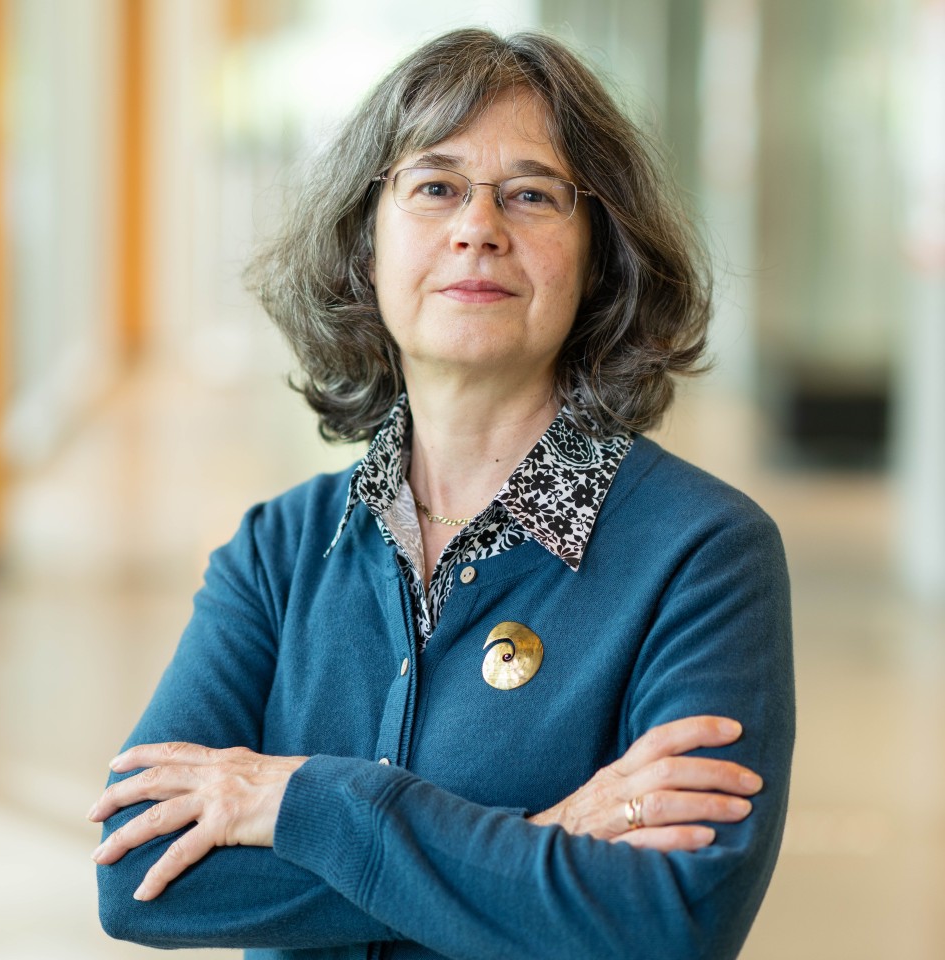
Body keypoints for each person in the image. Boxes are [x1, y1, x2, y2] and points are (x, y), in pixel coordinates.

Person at [90, 27, 794, 960]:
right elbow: (137, 881)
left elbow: (671, 921)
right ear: (364, 245)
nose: (478, 228)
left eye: (532, 195)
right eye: (435, 187)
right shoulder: (279, 550)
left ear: (600, 257)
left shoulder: (706, 554)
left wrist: (300, 802)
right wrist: (544, 839)